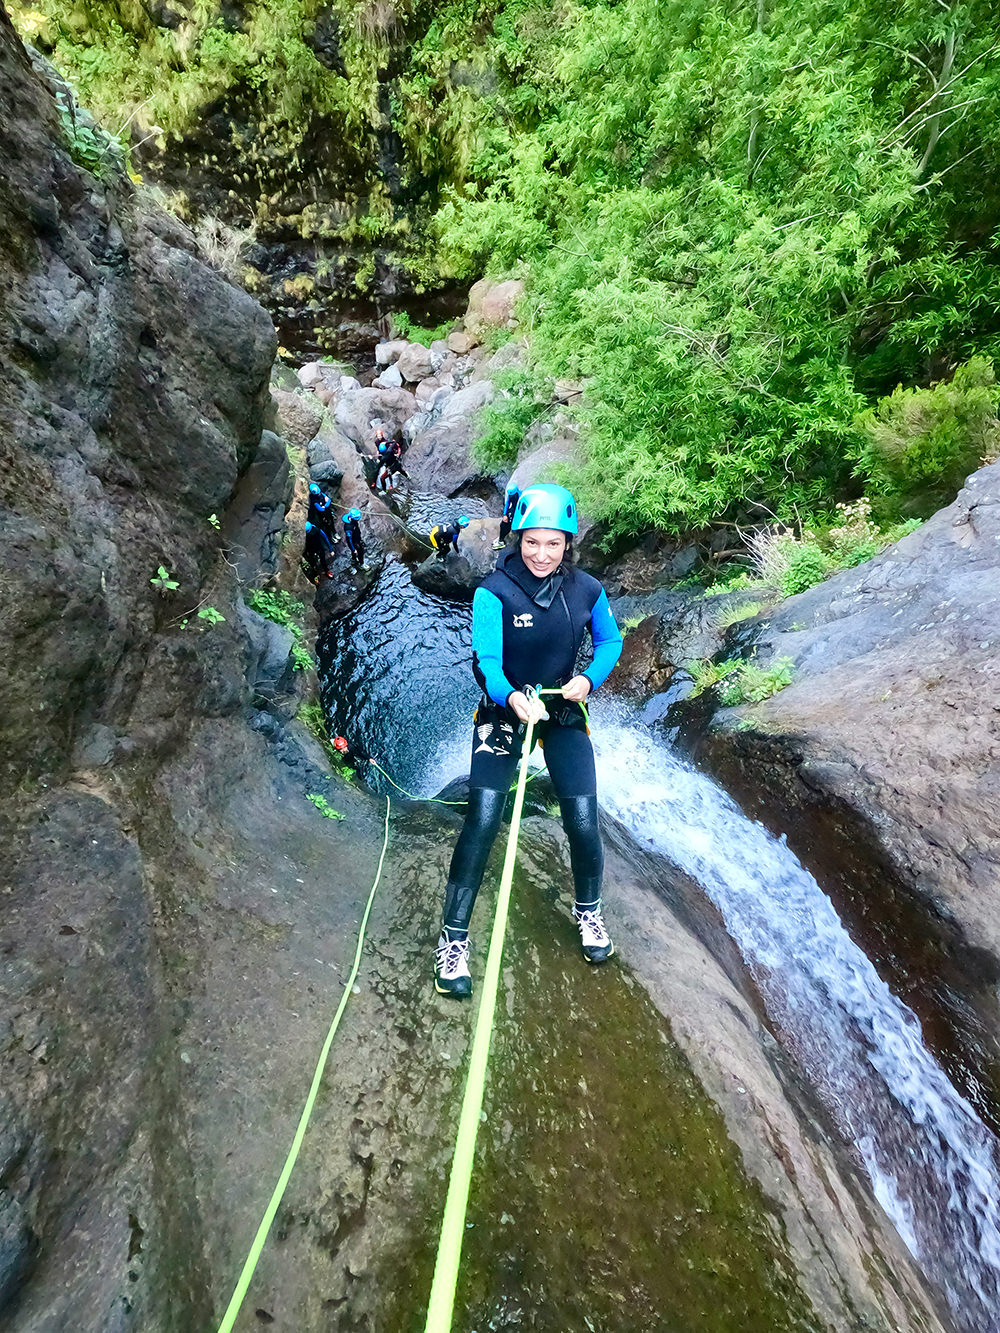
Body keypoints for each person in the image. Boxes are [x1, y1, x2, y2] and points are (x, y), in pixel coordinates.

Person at [433, 483, 623, 998]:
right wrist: (513, 699)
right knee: (484, 816)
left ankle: (589, 914)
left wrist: (587, 680)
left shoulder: (586, 590)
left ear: (568, 543)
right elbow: (487, 663)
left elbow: (610, 640)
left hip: (561, 708)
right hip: (504, 709)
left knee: (583, 817)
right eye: (532, 542)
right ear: (518, 539)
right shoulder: (493, 591)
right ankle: (453, 942)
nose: (542, 554)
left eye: (554, 543)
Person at [494, 481, 520, 550]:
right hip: (513, 509)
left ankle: (501, 540)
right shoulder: (512, 495)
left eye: (512, 495)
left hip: (517, 511)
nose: (510, 496)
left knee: (507, 525)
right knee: (503, 524)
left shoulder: (520, 496)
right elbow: (508, 503)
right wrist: (505, 514)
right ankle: (501, 538)